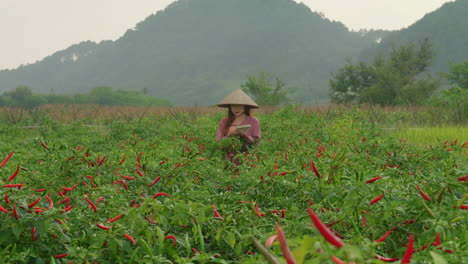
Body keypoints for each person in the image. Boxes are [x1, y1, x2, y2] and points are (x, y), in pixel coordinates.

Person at [216, 88, 261, 166]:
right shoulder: (224, 122)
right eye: (233, 106)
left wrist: (243, 135)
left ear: (245, 107)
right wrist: (229, 136)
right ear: (230, 107)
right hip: (228, 162)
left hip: (247, 162)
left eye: (239, 106)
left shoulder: (253, 121)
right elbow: (219, 143)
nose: (236, 109)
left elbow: (256, 143)